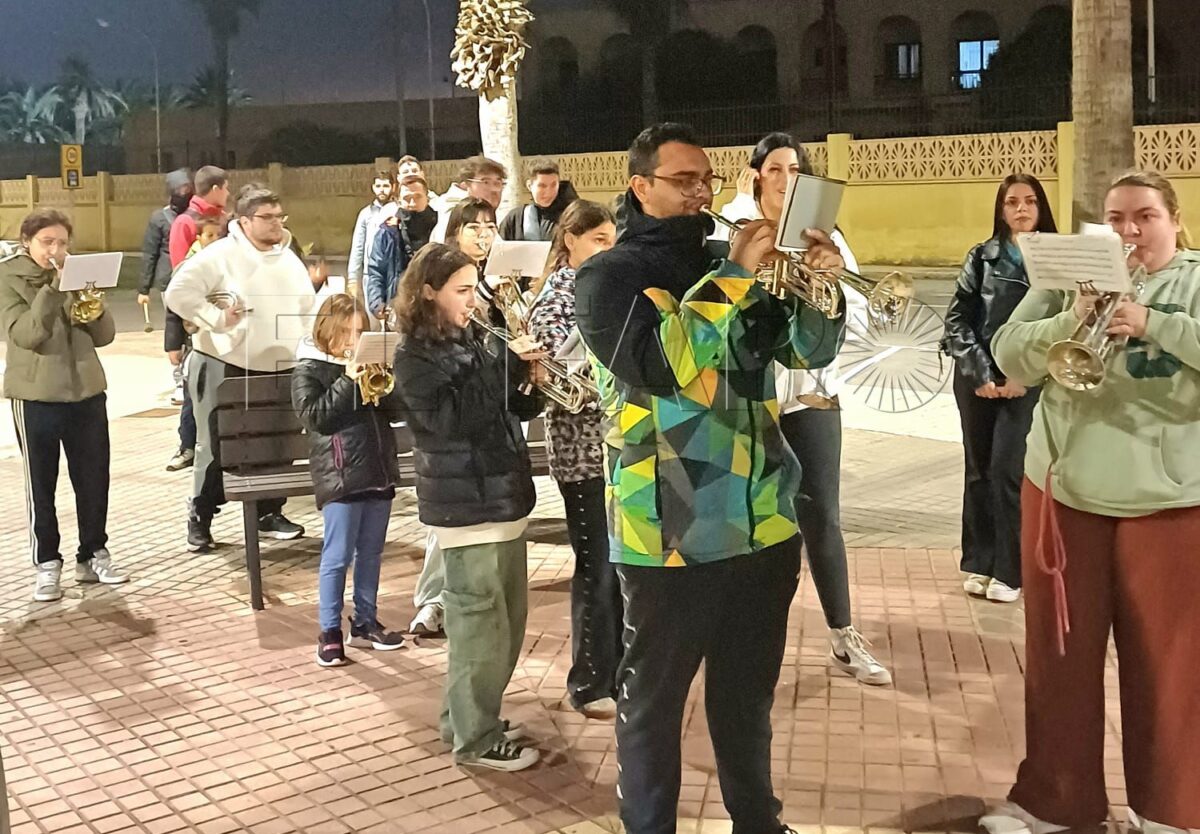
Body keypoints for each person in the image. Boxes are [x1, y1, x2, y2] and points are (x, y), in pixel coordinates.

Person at [575, 123, 847, 834]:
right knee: (654, 706)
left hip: (761, 519)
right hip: (669, 527)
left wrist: (819, 289)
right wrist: (733, 276)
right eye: (683, 180)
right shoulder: (608, 277)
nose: (701, 192)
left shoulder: (728, 261)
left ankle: (759, 823)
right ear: (641, 187)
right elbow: (662, 366)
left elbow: (804, 352)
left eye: (706, 179)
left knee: (747, 699)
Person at [982, 170, 1200, 834]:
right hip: (1065, 489)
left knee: (1170, 664)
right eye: (1116, 218)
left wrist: (1154, 323)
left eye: (1145, 216)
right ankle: (1056, 801)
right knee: (1059, 655)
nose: (1129, 230)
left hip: (1168, 500)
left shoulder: (1194, 280)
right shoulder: (1070, 275)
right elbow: (1008, 353)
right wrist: (1071, 317)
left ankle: (1170, 811)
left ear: (1175, 220)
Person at [731, 132, 893, 685]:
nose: (785, 179)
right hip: (752, 396)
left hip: (812, 393)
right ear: (756, 175)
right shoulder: (734, 227)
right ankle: (744, 642)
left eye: (795, 169)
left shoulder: (825, 236)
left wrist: (828, 283)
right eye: (775, 168)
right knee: (751, 520)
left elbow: (861, 322)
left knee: (822, 515)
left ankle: (844, 635)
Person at [392, 244, 545, 771]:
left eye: (472, 289)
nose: (472, 300)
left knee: (507, 625)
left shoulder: (473, 339)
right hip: (466, 509)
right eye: (461, 291)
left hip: (501, 499)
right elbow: (453, 420)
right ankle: (475, 740)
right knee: (480, 631)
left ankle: (463, 720)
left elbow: (506, 406)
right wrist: (505, 365)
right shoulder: (413, 357)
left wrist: (530, 383)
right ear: (428, 293)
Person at [165, 185, 316, 552]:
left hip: (281, 366)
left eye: (280, 216)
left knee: (278, 444)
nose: (276, 224)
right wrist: (216, 319)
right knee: (217, 448)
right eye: (267, 217)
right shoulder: (219, 255)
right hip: (226, 366)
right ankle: (201, 515)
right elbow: (177, 293)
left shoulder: (288, 257)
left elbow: (306, 307)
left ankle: (269, 512)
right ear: (245, 221)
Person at [0, 209, 128, 601]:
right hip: (36, 395)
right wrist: (54, 289)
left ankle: (93, 553)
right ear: (27, 242)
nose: (56, 250)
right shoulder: (8, 278)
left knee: (93, 479)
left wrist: (94, 303)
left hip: (86, 391)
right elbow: (26, 334)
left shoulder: (77, 275)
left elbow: (104, 336)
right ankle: (47, 563)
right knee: (42, 485)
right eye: (47, 242)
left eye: (62, 242)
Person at [942, 174, 1057, 603]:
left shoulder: (1056, 260)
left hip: (1027, 382)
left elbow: (1063, 323)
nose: (1021, 209)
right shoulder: (982, 257)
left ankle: (1010, 571)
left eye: (1030, 201)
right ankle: (980, 561)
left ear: (1041, 207)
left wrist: (1023, 375)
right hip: (978, 380)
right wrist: (982, 374)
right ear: (1001, 209)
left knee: (1009, 471)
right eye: (1012, 202)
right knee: (979, 471)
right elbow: (957, 320)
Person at [527, 200, 622, 719]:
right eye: (598, 241)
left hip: (615, 444)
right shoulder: (557, 300)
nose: (608, 250)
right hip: (580, 450)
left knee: (622, 566)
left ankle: (620, 671)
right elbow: (553, 382)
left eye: (612, 241)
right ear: (570, 241)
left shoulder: (604, 291)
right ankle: (588, 680)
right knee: (595, 567)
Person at [292, 293, 407, 666]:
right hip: (340, 475)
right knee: (338, 555)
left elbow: (396, 412)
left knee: (371, 552)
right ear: (327, 332)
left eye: (360, 332)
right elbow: (316, 417)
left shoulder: (370, 364)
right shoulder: (310, 369)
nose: (353, 340)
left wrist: (391, 380)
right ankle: (329, 631)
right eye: (346, 332)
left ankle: (365, 621)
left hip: (377, 468)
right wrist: (348, 379)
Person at [407, 196, 500, 636]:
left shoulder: (494, 285)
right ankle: (432, 601)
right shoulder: (424, 335)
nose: (483, 235)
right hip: (451, 462)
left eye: (490, 227)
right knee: (447, 528)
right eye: (473, 227)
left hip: (488, 451)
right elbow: (448, 415)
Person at [138, 168, 193, 405]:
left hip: (195, 282)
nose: (184, 193)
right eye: (179, 189)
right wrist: (143, 289)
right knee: (175, 332)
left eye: (187, 189)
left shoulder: (195, 217)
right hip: (169, 281)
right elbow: (149, 253)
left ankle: (193, 377)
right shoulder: (159, 218)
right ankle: (179, 382)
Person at [498, 159, 580, 242]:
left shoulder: (573, 217)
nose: (549, 192)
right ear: (529, 186)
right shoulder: (515, 219)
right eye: (542, 186)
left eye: (553, 185)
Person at [430, 156, 507, 244]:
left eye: (498, 183)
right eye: (485, 182)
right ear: (465, 185)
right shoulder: (456, 213)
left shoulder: (485, 212)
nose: (494, 189)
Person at [348, 170, 398, 296]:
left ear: (393, 187)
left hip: (394, 273)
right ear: (373, 188)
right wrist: (353, 278)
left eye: (385, 186)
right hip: (370, 273)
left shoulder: (398, 211)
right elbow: (358, 246)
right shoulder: (365, 214)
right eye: (378, 186)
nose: (382, 190)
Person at [168, 165, 229, 267]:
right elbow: (180, 268)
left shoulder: (224, 218)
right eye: (226, 188)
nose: (228, 193)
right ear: (215, 189)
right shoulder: (184, 222)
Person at [398, 175, 438, 251]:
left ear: (427, 198)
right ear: (399, 202)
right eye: (407, 198)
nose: (412, 203)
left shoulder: (441, 224)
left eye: (418, 197)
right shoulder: (390, 231)